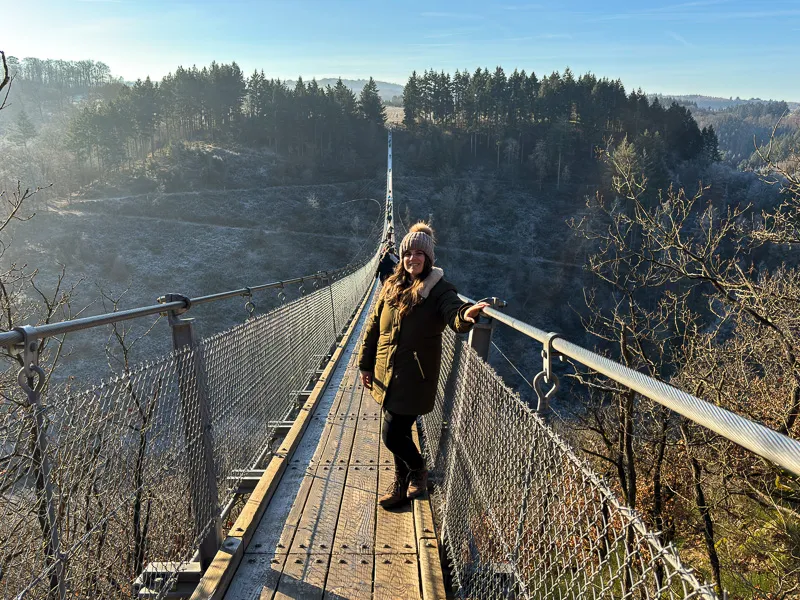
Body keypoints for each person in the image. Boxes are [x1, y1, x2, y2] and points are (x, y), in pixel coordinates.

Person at [358, 222, 489, 509]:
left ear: (428, 259)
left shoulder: (439, 289)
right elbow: (372, 327)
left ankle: (418, 469)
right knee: (399, 432)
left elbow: (453, 312)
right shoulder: (392, 284)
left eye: (420, 253)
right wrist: (365, 364)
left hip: (414, 376)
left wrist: (468, 314)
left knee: (392, 434)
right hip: (386, 371)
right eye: (408, 253)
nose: (412, 258)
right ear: (401, 256)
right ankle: (401, 485)